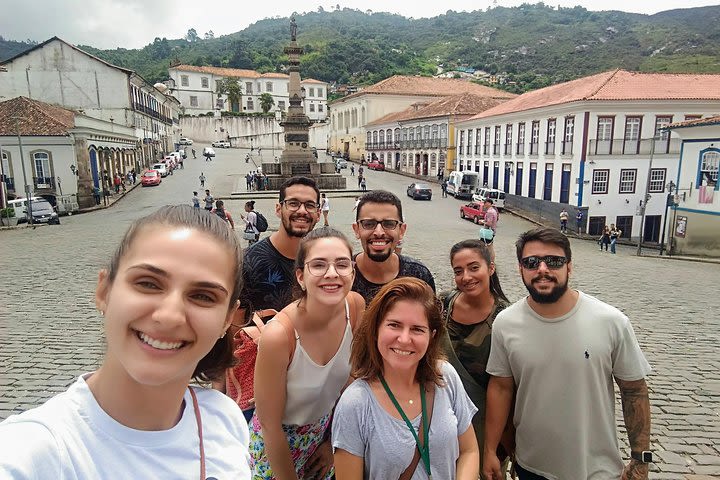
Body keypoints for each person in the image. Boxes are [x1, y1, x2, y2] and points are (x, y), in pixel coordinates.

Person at [0, 205, 251, 478]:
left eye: (203, 296)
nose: (168, 316)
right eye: (148, 283)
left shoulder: (225, 419)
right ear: (104, 291)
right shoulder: (34, 455)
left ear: (227, 319)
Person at [483, 227, 651, 480]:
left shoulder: (610, 321)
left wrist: (640, 459)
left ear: (569, 267)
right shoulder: (506, 323)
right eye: (531, 262)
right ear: (521, 269)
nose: (542, 269)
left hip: (597, 470)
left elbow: (634, 389)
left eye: (553, 261)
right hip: (532, 467)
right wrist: (489, 450)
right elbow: (501, 388)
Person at [333, 277, 479, 480]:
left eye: (417, 329)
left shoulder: (445, 376)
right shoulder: (355, 403)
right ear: (375, 330)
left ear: (432, 336)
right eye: (394, 325)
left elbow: (469, 451)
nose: (404, 339)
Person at [251, 228, 365, 479]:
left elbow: (352, 380)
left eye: (342, 264)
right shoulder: (280, 336)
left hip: (325, 434)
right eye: (319, 265)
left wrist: (332, 443)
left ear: (353, 274)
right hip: (277, 445)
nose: (332, 273)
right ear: (301, 277)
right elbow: (270, 427)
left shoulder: (355, 307)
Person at [440, 240, 511, 473]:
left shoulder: (506, 318)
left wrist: (497, 447)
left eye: (473, 267)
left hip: (486, 429)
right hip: (441, 422)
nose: (466, 277)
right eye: (458, 271)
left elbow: (510, 386)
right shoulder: (442, 305)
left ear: (490, 268)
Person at [351, 190, 436, 304]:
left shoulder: (419, 275)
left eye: (389, 224)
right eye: (369, 224)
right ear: (357, 230)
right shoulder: (342, 275)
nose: (379, 232)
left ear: (401, 230)